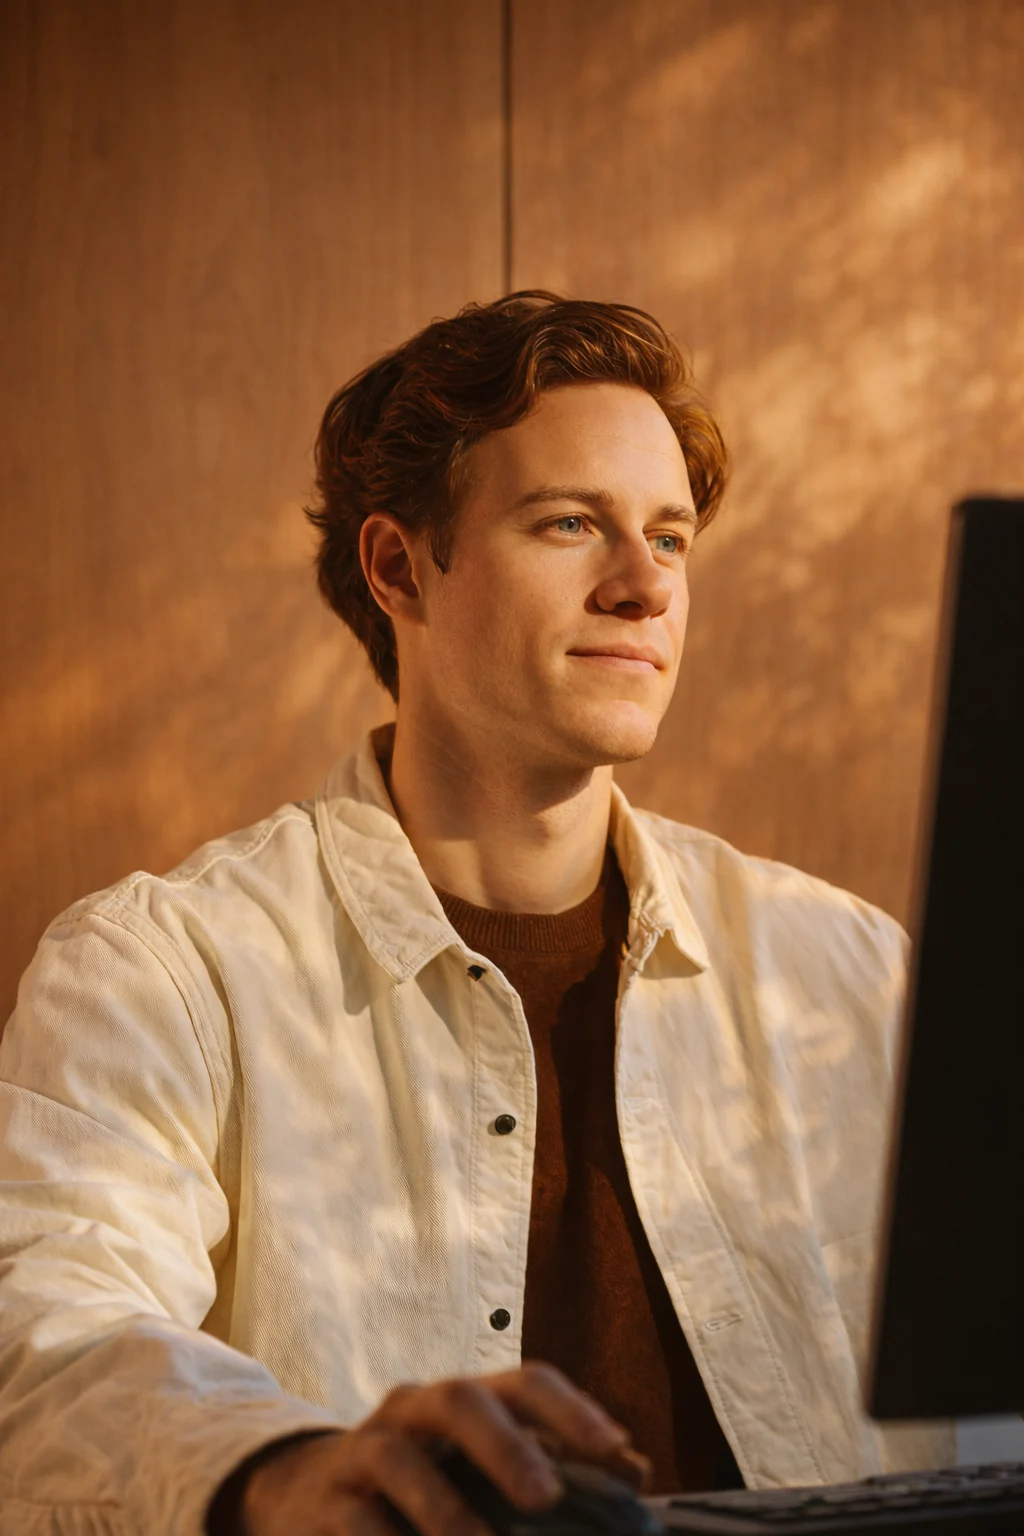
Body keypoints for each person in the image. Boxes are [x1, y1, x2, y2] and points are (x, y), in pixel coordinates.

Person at [0, 293, 951, 1536]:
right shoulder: (162, 969)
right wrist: (278, 1469)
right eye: (571, 524)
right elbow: (47, 1335)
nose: (642, 587)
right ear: (400, 567)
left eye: (669, 539)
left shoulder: (850, 972)